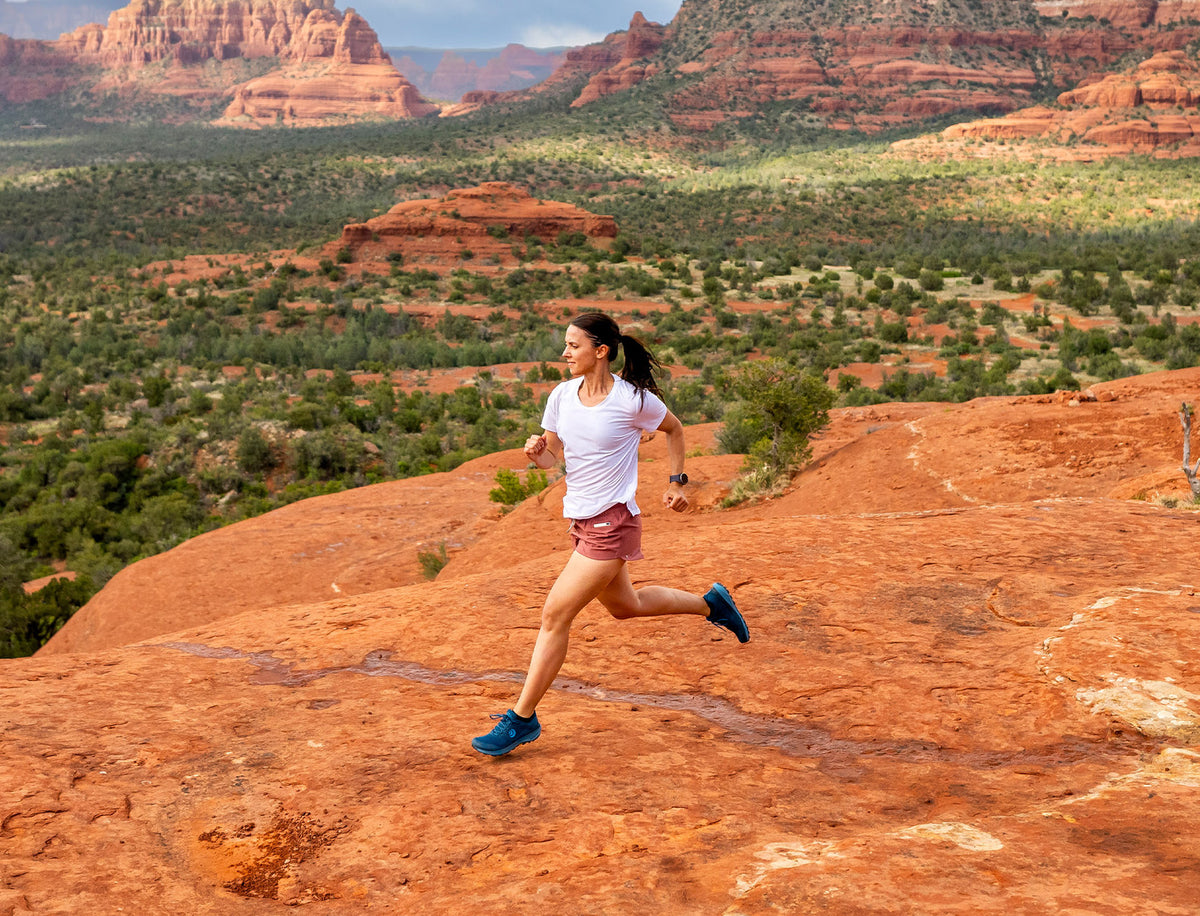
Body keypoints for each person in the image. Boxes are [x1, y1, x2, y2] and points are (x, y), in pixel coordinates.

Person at [471, 312, 749, 757]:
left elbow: (675, 429)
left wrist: (677, 482)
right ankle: (710, 604)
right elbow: (553, 462)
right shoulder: (562, 396)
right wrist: (536, 453)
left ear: (600, 351)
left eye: (573, 346)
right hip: (580, 520)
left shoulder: (632, 399)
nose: (564, 353)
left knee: (554, 615)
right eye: (565, 345)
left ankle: (521, 719)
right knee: (626, 606)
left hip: (613, 522)